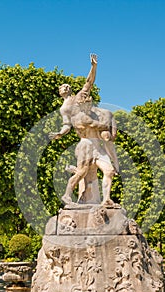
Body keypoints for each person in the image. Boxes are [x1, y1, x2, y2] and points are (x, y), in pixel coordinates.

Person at [49, 54, 119, 206]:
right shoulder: (65, 109)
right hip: (85, 144)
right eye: (62, 86)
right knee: (81, 172)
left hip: (97, 144)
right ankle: (67, 195)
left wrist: (93, 66)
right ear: (60, 92)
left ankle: (106, 199)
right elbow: (67, 125)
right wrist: (60, 133)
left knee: (109, 171)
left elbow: (89, 82)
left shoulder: (79, 97)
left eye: (67, 86)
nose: (66, 87)